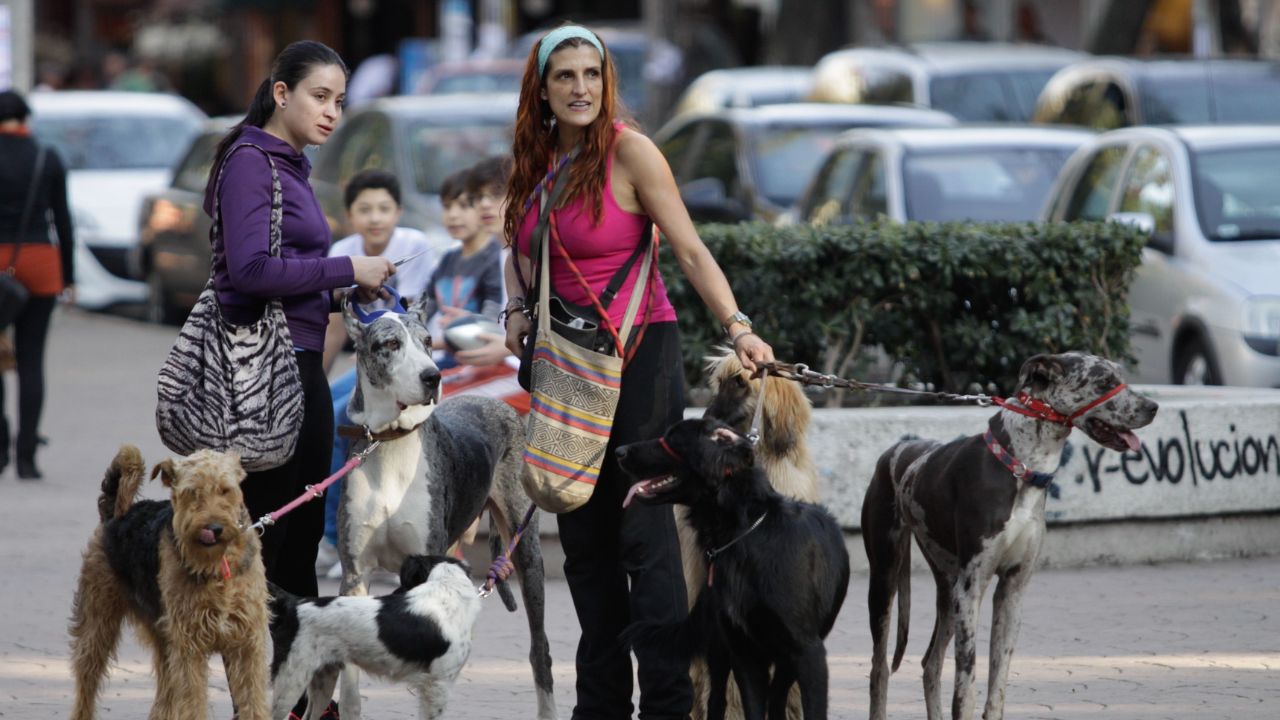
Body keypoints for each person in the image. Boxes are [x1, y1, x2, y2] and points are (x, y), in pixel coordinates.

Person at [501, 24, 773, 719]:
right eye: (564, 76)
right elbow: (520, 248)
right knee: (583, 537)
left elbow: (688, 248)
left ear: (607, 80)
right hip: (565, 361)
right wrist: (513, 310)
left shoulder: (630, 151)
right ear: (542, 87)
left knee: (642, 532)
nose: (580, 88)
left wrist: (737, 325)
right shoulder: (534, 161)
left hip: (639, 350)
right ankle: (599, 706)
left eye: (592, 74)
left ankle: (666, 704)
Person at [202, 39, 394, 609]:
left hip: (299, 363)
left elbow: (288, 277)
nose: (332, 111)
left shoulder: (290, 164)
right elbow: (252, 271)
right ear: (281, 93)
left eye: (339, 99)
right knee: (272, 532)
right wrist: (346, 266)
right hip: (264, 374)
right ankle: (263, 689)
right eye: (319, 96)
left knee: (301, 531)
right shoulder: (249, 162)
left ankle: (304, 690)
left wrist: (344, 290)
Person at [317, 167, 440, 574]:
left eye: (383, 208)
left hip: (405, 363)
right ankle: (338, 526)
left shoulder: (413, 245)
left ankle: (338, 541)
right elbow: (335, 325)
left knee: (341, 417)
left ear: (398, 212)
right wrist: (313, 382)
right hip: (367, 367)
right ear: (350, 215)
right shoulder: (344, 251)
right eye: (364, 209)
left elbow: (411, 320)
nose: (374, 217)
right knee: (323, 408)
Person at [0, 90, 75, 480]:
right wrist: (70, 278)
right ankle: (27, 457)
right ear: (25, 119)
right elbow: (63, 220)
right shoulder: (47, 157)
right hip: (41, 266)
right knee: (31, 361)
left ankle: (0, 448)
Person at [427, 169, 505, 369]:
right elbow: (424, 308)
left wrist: (428, 343)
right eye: (447, 207)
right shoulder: (448, 259)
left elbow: (491, 323)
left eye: (463, 206)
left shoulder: (495, 258)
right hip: (447, 357)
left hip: (481, 360)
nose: (453, 215)